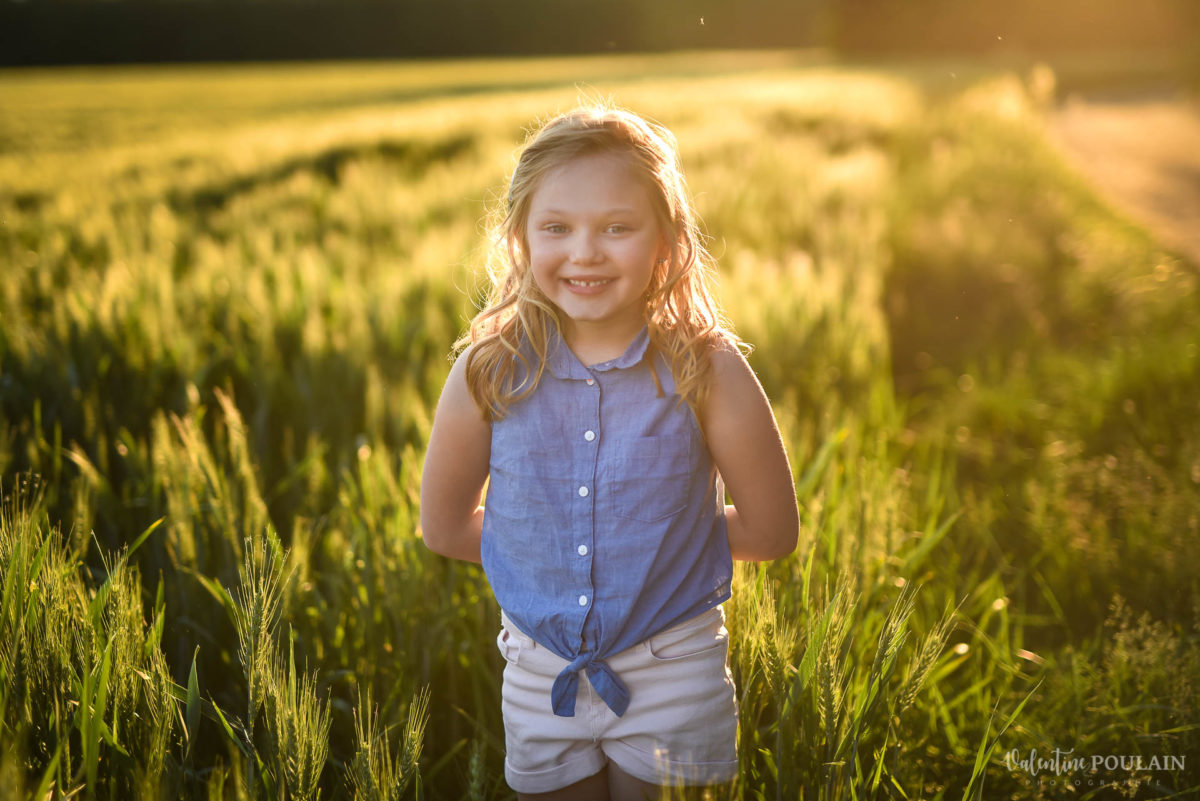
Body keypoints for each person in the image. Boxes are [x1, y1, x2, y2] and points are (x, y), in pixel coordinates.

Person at [420, 104, 799, 801]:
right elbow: (443, 526)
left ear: (666, 241)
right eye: (557, 227)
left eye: (616, 228)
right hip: (539, 673)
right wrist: (553, 555)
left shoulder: (708, 370)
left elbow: (773, 532)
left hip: (673, 666)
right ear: (520, 240)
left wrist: (652, 552)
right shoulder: (488, 371)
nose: (585, 251)